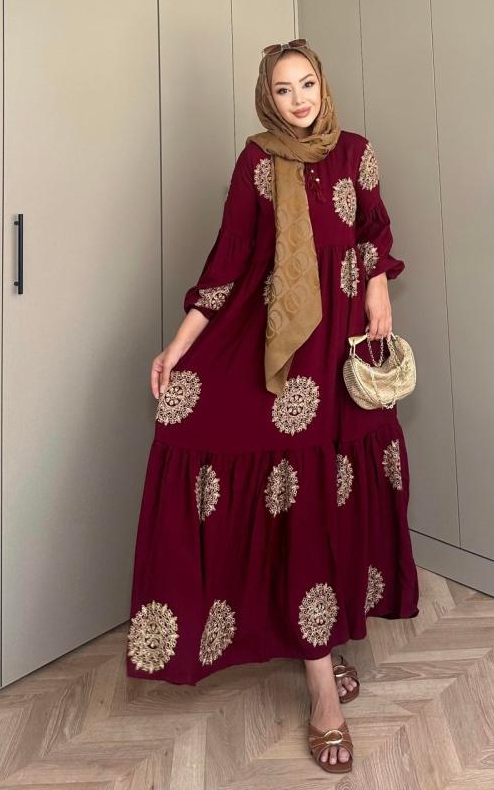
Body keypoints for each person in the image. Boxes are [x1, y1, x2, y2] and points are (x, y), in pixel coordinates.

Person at [126, 39, 420, 774]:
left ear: (323, 84)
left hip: (341, 350)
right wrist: (177, 346)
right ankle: (322, 691)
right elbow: (229, 260)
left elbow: (373, 234)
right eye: (283, 90)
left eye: (307, 83)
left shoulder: (356, 153)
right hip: (278, 362)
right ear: (268, 98)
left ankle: (319, 637)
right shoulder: (258, 162)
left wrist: (379, 288)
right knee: (295, 497)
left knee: (334, 496)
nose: (298, 100)